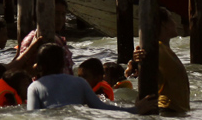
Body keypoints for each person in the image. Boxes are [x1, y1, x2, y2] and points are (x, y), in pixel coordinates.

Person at [27, 43, 155, 113]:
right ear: (63, 64)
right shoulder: (79, 83)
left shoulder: (34, 87)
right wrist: (136, 109)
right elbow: (102, 108)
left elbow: (33, 116)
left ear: (38, 66)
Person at [131, 7, 191, 114]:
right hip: (167, 112)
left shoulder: (164, 49)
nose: (175, 22)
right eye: (171, 19)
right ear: (164, 24)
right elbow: (139, 65)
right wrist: (136, 58)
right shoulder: (156, 48)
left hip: (176, 112)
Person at [16, 0, 74, 75]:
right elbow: (23, 70)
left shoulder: (60, 39)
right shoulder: (34, 38)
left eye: (63, 14)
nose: (60, 18)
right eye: (56, 13)